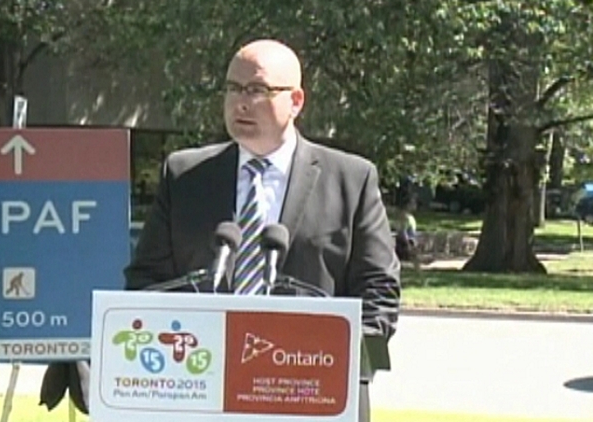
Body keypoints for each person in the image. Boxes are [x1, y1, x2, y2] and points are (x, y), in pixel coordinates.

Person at [123, 39, 401, 422]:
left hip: (312, 397)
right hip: (201, 394)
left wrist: (330, 359)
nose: (241, 102)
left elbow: (378, 292)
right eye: (233, 88)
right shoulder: (184, 176)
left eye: (257, 90)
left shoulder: (350, 180)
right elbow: (147, 284)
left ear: (296, 100)